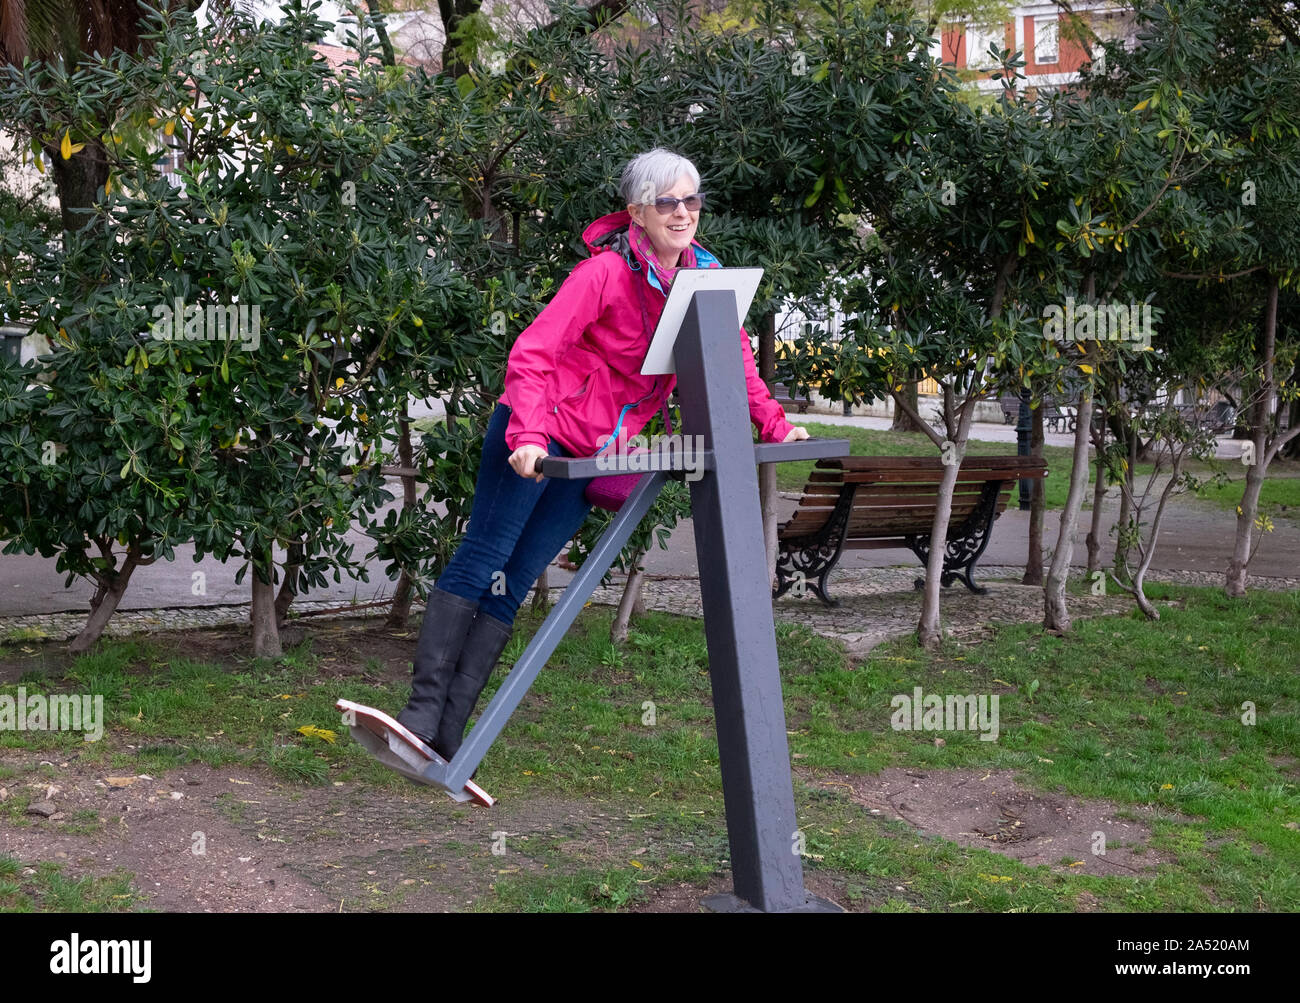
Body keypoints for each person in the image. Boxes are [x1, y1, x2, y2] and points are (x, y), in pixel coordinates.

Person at [396, 147, 809, 763]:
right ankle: (419, 713)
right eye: (666, 201)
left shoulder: (704, 279)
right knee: (485, 557)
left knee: (512, 583)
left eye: (690, 200)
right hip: (537, 433)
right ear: (637, 212)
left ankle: (449, 733)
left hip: (593, 452)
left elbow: (736, 361)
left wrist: (773, 424)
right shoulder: (603, 276)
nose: (681, 212)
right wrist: (528, 435)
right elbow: (534, 353)